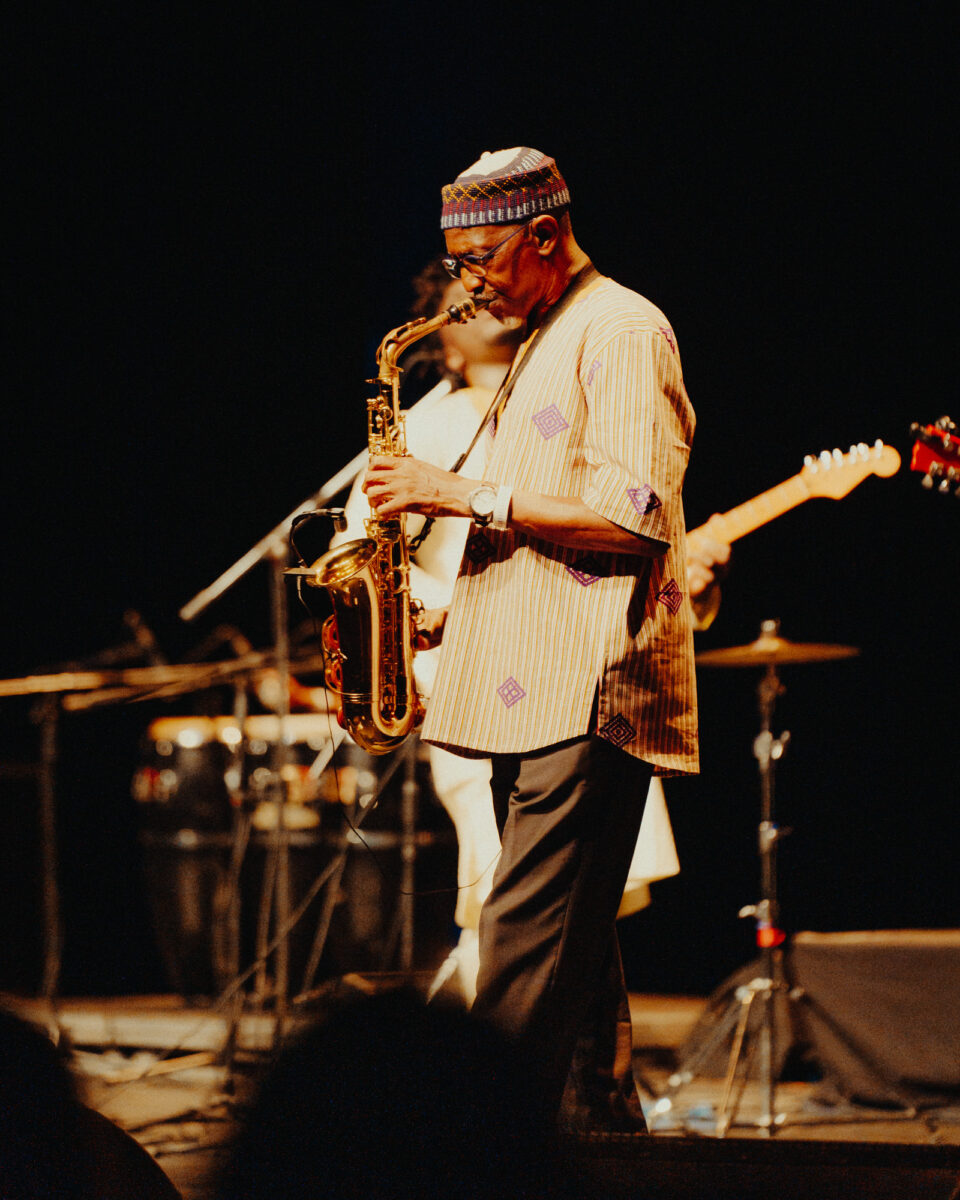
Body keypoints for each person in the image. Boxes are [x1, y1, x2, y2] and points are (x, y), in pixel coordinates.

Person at [361, 147, 699, 1131]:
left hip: (587, 688)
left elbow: (635, 518)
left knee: (519, 946)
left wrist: (454, 493)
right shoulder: (543, 335)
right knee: (574, 959)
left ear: (546, 235)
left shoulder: (621, 329)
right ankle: (603, 1141)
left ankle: (473, 1155)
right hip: (529, 683)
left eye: (482, 260)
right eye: (456, 264)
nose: (467, 286)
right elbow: (540, 525)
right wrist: (449, 613)